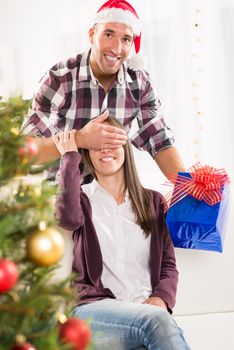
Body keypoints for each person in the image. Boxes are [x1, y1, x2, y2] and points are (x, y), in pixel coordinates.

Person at [53, 116, 190, 350]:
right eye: (97, 145)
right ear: (88, 154)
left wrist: (161, 298)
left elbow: (168, 265)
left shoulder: (153, 202)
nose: (105, 151)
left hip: (145, 310)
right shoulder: (82, 200)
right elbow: (66, 218)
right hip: (94, 313)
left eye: (113, 143)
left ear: (125, 149)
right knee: (157, 323)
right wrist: (70, 154)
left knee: (155, 326)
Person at [21, 0, 185, 179]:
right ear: (92, 35)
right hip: (63, 196)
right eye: (109, 34)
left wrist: (189, 188)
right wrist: (80, 139)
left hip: (112, 196)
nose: (116, 48)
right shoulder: (60, 79)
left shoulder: (139, 82)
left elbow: (159, 141)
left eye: (126, 39)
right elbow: (25, 149)